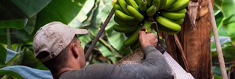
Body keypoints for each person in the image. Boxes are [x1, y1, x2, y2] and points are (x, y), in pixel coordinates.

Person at [33, 21, 174, 79]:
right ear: (75, 49)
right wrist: (148, 45)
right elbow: (162, 71)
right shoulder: (93, 74)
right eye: (80, 44)